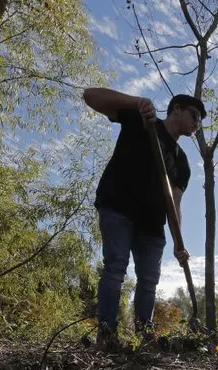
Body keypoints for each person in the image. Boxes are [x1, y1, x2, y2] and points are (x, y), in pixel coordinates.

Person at [82, 87, 205, 346]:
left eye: (200, 120)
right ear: (177, 109)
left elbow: (175, 204)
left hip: (152, 225)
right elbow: (90, 96)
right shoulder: (143, 119)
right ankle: (107, 334)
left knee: (149, 281)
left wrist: (179, 243)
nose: (197, 123)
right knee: (115, 268)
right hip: (118, 207)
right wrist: (137, 102)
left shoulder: (182, 162)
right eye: (194, 115)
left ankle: (143, 339)